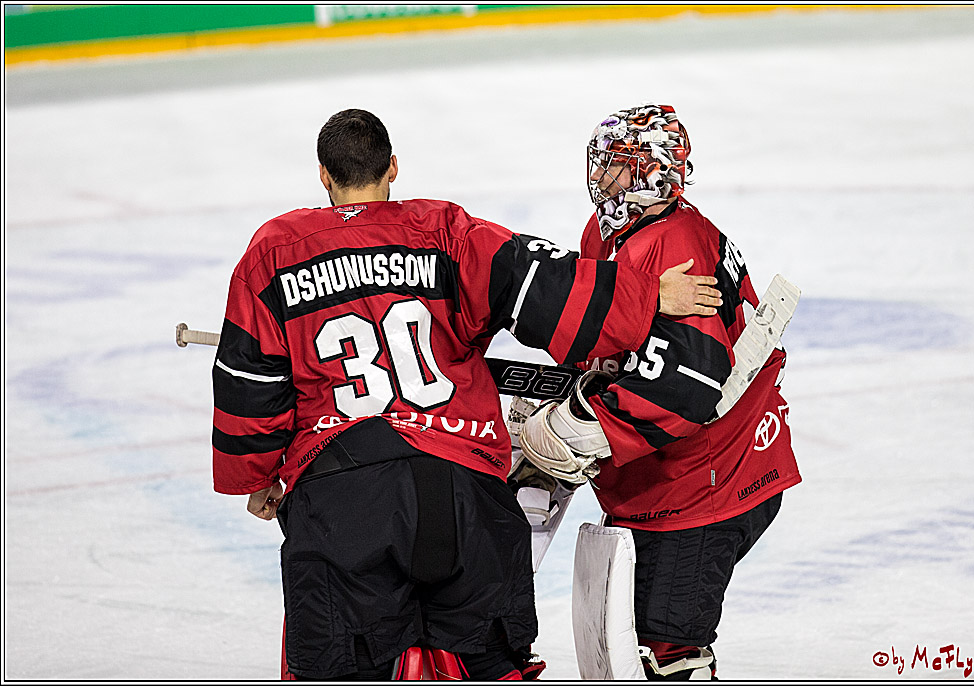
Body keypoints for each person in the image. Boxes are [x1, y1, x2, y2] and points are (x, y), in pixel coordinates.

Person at [210, 108, 723, 681]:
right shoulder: (446, 232)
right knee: (490, 664)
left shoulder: (274, 251)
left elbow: (248, 381)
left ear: (324, 176)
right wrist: (645, 296)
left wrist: (256, 478)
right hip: (464, 491)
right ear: (394, 169)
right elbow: (542, 286)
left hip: (343, 499)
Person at [520, 103, 801, 679]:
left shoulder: (677, 244)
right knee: (633, 640)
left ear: (656, 174)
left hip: (710, 484)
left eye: (619, 168)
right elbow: (602, 325)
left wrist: (589, 423)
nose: (603, 180)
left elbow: (689, 381)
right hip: (665, 478)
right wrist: (573, 387)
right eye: (600, 165)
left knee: (667, 652)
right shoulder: (607, 231)